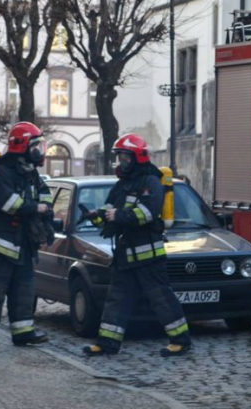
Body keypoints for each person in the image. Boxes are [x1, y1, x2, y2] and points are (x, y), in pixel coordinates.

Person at [82, 133, 192, 357]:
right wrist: (96, 215)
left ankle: (180, 341)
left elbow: (147, 213)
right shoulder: (123, 184)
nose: (121, 162)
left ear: (137, 157)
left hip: (148, 258)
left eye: (124, 157)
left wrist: (118, 216)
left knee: (161, 299)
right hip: (126, 257)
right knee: (116, 300)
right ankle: (107, 343)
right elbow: (109, 208)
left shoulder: (150, 181)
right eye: (119, 157)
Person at [0, 122, 54, 348]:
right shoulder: (2, 171)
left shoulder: (31, 173)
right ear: (22, 146)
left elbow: (45, 195)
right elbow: (8, 202)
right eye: (35, 145)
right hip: (1, 244)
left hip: (24, 244)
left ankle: (23, 333)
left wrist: (45, 211)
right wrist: (35, 208)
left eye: (40, 146)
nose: (39, 151)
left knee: (24, 291)